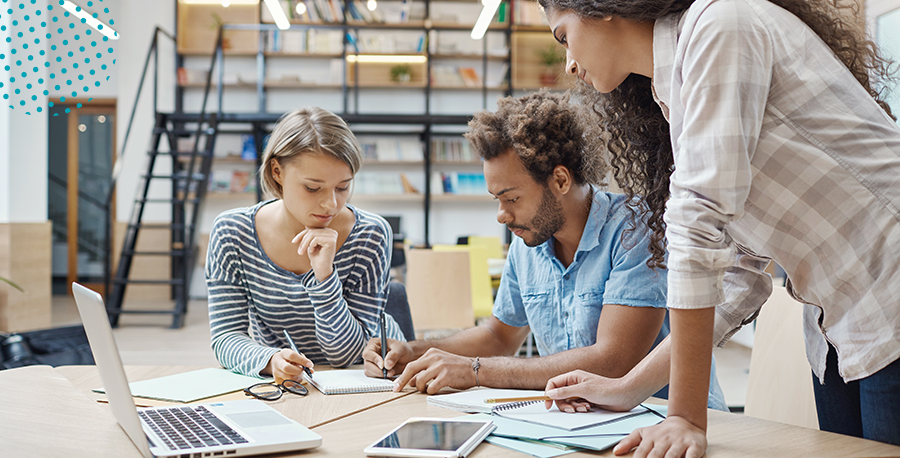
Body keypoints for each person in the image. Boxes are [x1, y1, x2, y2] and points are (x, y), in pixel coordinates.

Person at [536, 0, 900, 455]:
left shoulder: (719, 23)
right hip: (840, 326)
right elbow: (736, 275)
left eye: (564, 36)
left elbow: (697, 222)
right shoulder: (676, 92)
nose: (569, 63)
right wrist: (629, 386)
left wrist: (686, 416)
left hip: (889, 294)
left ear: (600, 4)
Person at [361, 91, 727, 411]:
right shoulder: (529, 241)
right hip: (581, 421)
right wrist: (415, 352)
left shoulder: (634, 228)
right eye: (497, 200)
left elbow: (613, 361)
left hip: (663, 418)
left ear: (561, 180)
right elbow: (499, 336)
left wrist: (474, 370)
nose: (502, 215)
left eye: (512, 198)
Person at [206, 107, 405, 383]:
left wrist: (324, 276)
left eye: (343, 187)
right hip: (289, 383)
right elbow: (226, 336)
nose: (331, 204)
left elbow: (346, 355)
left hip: (361, 382)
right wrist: (268, 359)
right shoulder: (233, 232)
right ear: (277, 171)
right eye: (313, 188)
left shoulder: (370, 235)